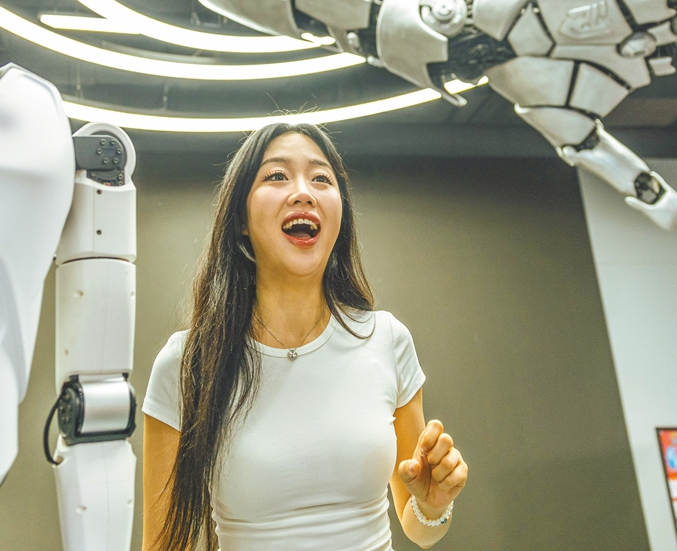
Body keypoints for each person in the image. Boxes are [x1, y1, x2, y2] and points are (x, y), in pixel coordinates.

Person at [140, 123, 469, 551]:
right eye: (276, 176)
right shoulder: (187, 363)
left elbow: (421, 529)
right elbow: (164, 546)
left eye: (321, 178)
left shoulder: (387, 340)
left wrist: (432, 504)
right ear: (239, 217)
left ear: (339, 216)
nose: (303, 192)